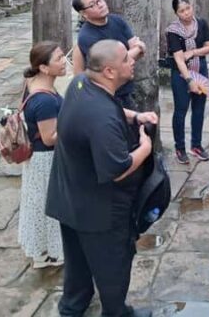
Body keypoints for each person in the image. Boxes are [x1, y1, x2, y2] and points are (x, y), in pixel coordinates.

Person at [46, 40, 158, 317]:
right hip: (99, 209)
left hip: (69, 196)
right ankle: (116, 312)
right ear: (109, 71)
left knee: (78, 260)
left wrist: (135, 116)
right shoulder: (102, 118)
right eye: (125, 59)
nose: (132, 61)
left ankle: (73, 307)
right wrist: (145, 147)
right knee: (114, 264)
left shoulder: (81, 84)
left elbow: (113, 110)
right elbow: (118, 168)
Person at [17, 41, 67, 269]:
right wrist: (75, 125)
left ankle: (42, 250)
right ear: (44, 68)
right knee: (49, 205)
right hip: (45, 158)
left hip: (39, 157)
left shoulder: (35, 82)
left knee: (39, 204)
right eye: (58, 59)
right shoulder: (45, 100)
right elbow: (50, 137)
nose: (64, 61)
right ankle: (51, 253)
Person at [71, 0, 146, 113]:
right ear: (83, 13)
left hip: (127, 90)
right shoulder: (87, 36)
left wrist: (135, 51)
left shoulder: (117, 20)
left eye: (99, 0)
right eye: (92, 4)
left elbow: (138, 54)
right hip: (106, 96)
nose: (100, 5)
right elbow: (113, 65)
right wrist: (138, 47)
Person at [166, 0, 209, 164]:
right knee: (180, 110)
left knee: (199, 108)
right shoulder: (173, 31)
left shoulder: (201, 24)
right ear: (176, 13)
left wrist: (194, 52)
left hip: (200, 68)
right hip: (181, 73)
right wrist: (190, 81)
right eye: (181, 11)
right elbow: (179, 59)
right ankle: (180, 148)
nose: (186, 13)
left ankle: (196, 145)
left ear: (192, 7)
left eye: (188, 8)